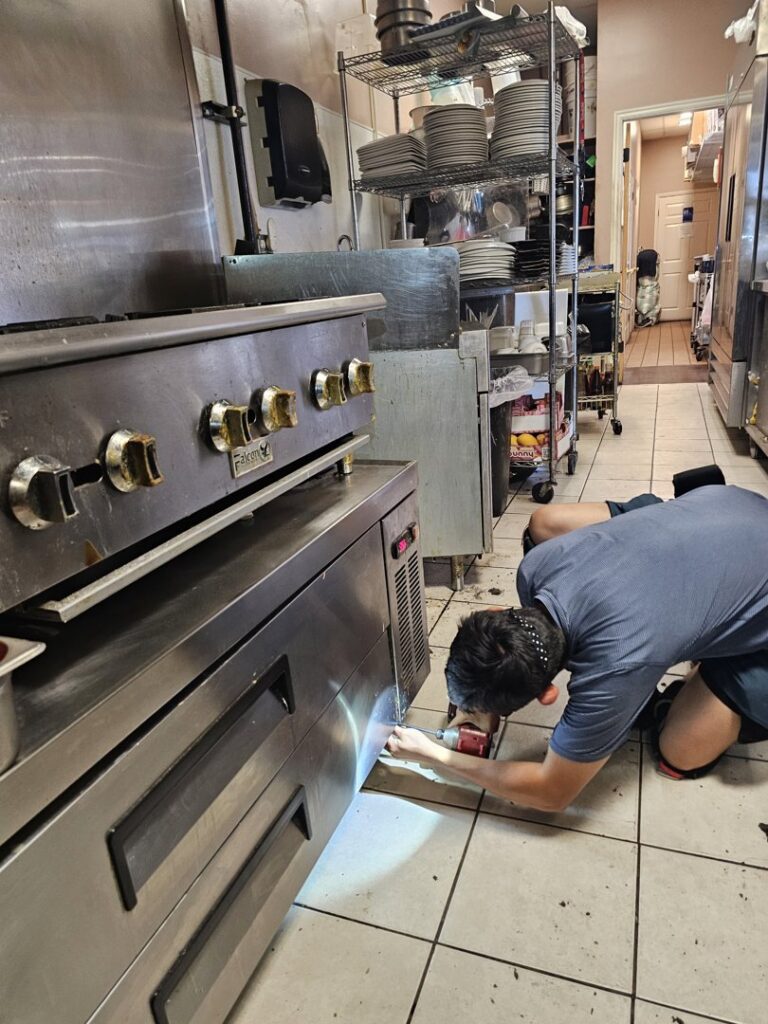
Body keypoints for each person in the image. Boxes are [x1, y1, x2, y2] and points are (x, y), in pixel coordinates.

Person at [387, 484, 768, 812]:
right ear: (495, 610)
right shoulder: (538, 565)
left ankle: (723, 654)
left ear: (549, 694)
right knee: (544, 522)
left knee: (679, 753)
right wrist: (481, 705)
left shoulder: (617, 664)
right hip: (724, 509)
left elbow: (552, 793)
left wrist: (434, 755)